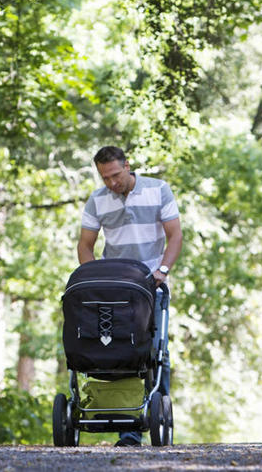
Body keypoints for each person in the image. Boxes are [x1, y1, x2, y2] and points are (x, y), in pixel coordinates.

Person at [77, 145, 182, 447]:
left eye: (115, 175)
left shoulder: (158, 189)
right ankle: (130, 433)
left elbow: (175, 235)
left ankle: (158, 416)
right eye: (104, 178)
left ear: (127, 165)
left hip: (152, 283)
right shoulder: (97, 200)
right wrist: (94, 276)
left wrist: (162, 270)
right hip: (115, 287)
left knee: (156, 350)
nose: (111, 183)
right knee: (123, 350)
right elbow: (86, 245)